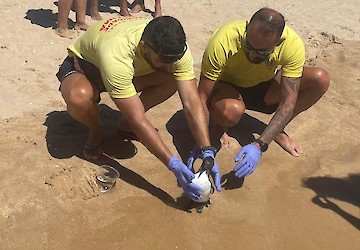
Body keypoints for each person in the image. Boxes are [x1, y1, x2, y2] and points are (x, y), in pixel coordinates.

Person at [56, 16, 221, 200]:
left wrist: (207, 149)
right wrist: (173, 164)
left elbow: (191, 101)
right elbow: (139, 119)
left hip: (129, 70)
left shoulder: (174, 49)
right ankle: (96, 130)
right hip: (88, 68)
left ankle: (123, 126)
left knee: (172, 77)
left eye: (174, 59)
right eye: (164, 60)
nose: (169, 65)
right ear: (143, 47)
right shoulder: (116, 51)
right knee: (78, 97)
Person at [194, 8, 330, 180]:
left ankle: (277, 130)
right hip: (228, 88)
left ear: (279, 42)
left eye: (262, 52)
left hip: (264, 88)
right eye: (248, 45)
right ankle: (220, 125)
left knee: (320, 79)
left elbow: (289, 101)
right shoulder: (224, 38)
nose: (252, 54)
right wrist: (205, 142)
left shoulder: (292, 45)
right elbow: (202, 96)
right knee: (230, 111)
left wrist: (260, 145)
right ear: (247, 28)